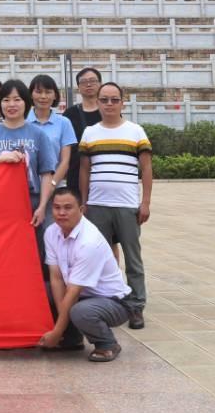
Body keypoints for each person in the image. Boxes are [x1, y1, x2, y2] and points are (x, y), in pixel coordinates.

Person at [79, 82, 153, 329]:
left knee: (133, 259)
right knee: (99, 257)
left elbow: (146, 168)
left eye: (114, 100)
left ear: (123, 102)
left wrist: (145, 202)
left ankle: (135, 306)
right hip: (97, 205)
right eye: (104, 100)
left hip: (127, 206)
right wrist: (84, 201)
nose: (109, 104)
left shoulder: (136, 131)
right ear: (97, 103)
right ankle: (105, 302)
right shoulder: (90, 132)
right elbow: (84, 169)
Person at [0, 79, 56, 286]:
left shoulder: (38, 134)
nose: (11, 104)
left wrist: (43, 206)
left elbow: (46, 173)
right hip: (0, 206)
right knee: (4, 255)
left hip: (32, 203)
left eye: (17, 99)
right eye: (6, 99)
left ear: (26, 103)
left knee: (37, 254)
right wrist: (0, 159)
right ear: (0, 104)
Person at [39, 187, 135, 362]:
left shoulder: (89, 241)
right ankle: (71, 339)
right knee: (41, 292)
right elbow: (57, 278)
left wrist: (57, 330)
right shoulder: (51, 232)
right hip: (82, 295)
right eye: (56, 207)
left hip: (114, 301)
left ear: (81, 210)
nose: (61, 213)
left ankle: (107, 344)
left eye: (68, 208)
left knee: (80, 311)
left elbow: (73, 291)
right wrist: (63, 325)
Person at [27, 74, 77, 199]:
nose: (43, 96)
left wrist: (52, 184)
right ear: (31, 95)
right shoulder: (22, 121)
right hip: (24, 189)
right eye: (38, 92)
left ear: (55, 95)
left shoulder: (64, 123)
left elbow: (65, 161)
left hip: (54, 189)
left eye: (48, 92)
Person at [63, 67, 103, 195]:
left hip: (103, 175)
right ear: (78, 88)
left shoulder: (109, 111)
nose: (89, 84)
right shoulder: (70, 114)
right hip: (76, 175)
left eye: (92, 80)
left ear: (100, 84)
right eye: (84, 82)